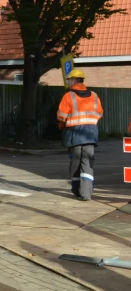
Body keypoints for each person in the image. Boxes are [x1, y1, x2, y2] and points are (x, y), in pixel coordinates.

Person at [56, 69, 104, 201]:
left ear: (74, 80)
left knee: (76, 162)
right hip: (91, 134)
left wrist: (62, 126)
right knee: (87, 162)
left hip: (75, 133)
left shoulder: (68, 96)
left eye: (69, 80)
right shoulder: (94, 95)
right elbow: (100, 114)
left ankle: (77, 190)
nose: (68, 82)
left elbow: (61, 116)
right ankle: (86, 193)